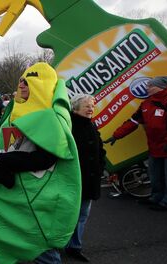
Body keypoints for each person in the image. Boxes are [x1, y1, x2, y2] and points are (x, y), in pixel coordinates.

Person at [0, 62, 81, 264]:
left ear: (42, 85)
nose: (21, 85)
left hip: (36, 200)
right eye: (21, 81)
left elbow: (45, 158)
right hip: (7, 195)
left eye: (28, 81)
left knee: (41, 251)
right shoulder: (13, 113)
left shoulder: (54, 117)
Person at [104, 76, 167, 212]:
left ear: (159, 87)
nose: (146, 87)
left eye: (150, 85)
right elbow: (133, 121)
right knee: (155, 176)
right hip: (155, 147)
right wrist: (116, 135)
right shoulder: (147, 102)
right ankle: (156, 197)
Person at [65, 94, 106, 262]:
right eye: (87, 106)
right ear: (75, 107)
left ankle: (74, 246)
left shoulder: (90, 124)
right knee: (69, 215)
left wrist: (101, 166)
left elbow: (99, 149)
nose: (91, 108)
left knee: (82, 215)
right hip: (74, 179)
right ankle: (60, 243)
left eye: (93, 105)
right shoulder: (69, 125)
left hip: (89, 180)